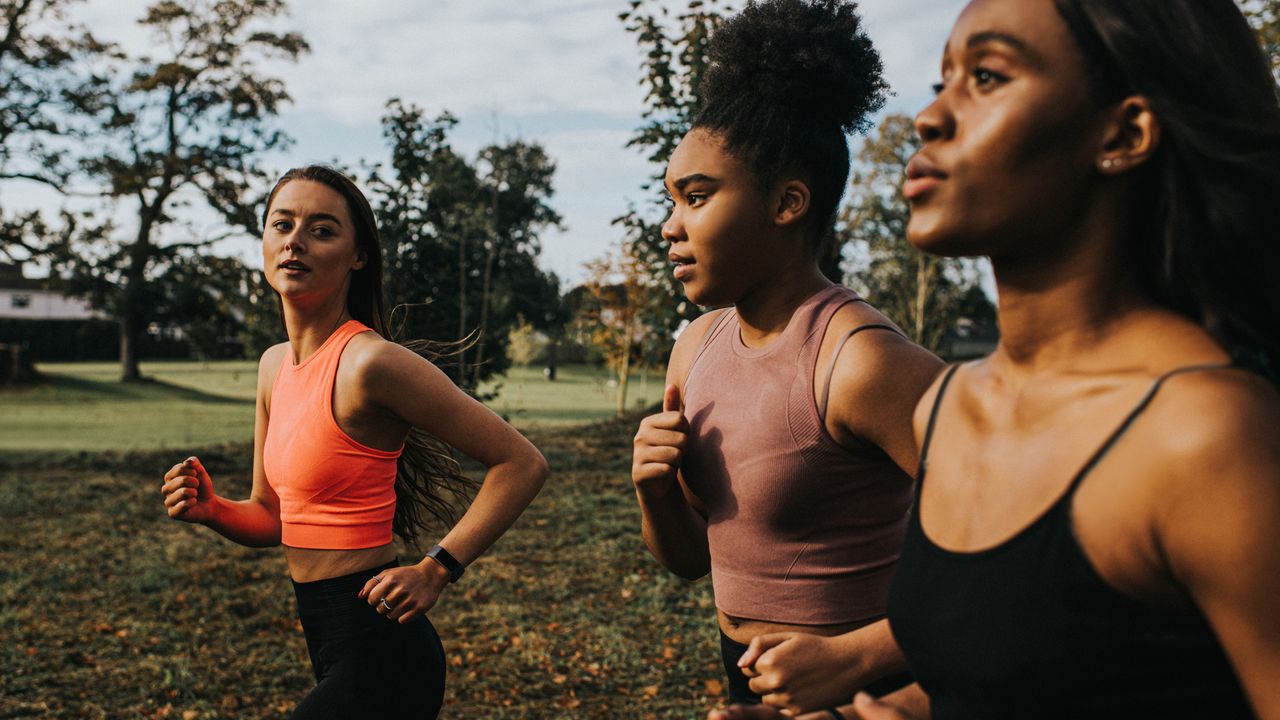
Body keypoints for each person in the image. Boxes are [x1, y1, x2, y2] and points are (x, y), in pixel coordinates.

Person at [845, 0, 1280, 717]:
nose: (929, 119)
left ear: (1124, 132)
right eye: (941, 79)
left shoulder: (1205, 437)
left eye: (986, 76)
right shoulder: (946, 408)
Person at [629, 1, 944, 716]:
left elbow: (1029, 551)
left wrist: (859, 660)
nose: (669, 226)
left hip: (871, 691)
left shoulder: (861, 363)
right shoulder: (695, 347)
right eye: (670, 199)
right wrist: (654, 490)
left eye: (697, 197)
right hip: (749, 677)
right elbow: (687, 560)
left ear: (788, 202)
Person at [159, 165, 549, 719]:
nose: (295, 240)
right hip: (325, 638)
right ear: (265, 241)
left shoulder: (370, 363)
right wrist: (215, 510)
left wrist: (436, 569)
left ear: (357, 255)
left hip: (385, 652)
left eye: (321, 230)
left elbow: (521, 462)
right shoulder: (274, 365)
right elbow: (273, 516)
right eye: (282, 224)